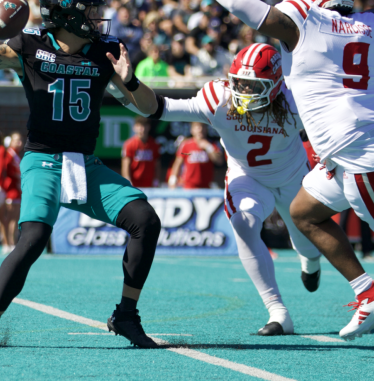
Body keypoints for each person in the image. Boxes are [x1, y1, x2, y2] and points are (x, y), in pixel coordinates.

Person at [185, 0, 374, 340]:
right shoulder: (369, 26)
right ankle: (367, 291)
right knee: (304, 212)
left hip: (361, 151)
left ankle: (372, 295)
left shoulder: (305, 20)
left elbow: (237, 3)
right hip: (355, 147)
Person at [0, 0, 162, 349]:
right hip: (43, 157)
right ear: (69, 15)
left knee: (145, 220)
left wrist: (129, 81)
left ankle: (126, 315)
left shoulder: (105, 51)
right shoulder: (29, 45)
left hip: (85, 162)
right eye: (90, 11)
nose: (97, 18)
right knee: (33, 238)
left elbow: (148, 108)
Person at [131, 43, 324, 334]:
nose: (243, 91)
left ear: (274, 85)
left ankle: (309, 261)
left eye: (252, 85)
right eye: (239, 83)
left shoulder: (297, 101)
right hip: (248, 176)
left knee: (308, 247)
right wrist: (129, 83)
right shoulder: (218, 99)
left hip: (292, 178)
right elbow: (162, 107)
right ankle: (278, 312)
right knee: (242, 222)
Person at [168, 122, 222, 189]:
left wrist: (208, 147)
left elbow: (219, 161)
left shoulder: (211, 145)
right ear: (192, 130)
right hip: (189, 186)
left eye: (203, 127)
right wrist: (172, 180)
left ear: (206, 129)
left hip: (206, 187)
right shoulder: (186, 145)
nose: (200, 129)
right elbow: (178, 163)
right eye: (197, 127)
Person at [122, 117, 160, 188]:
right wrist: (128, 180)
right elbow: (126, 164)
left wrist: (156, 180)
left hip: (149, 185)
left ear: (149, 127)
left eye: (145, 126)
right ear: (134, 127)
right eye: (139, 126)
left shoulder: (154, 144)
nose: (142, 129)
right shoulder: (129, 144)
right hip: (134, 184)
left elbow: (157, 164)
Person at [2, 131, 23, 253]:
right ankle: (9, 242)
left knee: (14, 217)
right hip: (10, 189)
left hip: (16, 188)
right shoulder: (8, 154)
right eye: (16, 140)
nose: (19, 143)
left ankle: (11, 242)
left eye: (20, 140)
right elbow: (6, 170)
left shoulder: (15, 155)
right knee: (11, 217)